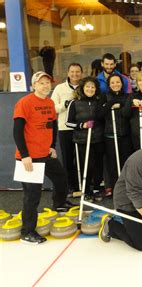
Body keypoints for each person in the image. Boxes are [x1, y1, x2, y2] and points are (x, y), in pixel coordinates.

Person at [13, 71, 73, 244]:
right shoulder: (24, 103)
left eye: (48, 83)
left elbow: (52, 125)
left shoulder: (49, 102)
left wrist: (52, 147)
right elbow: (17, 131)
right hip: (29, 158)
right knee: (32, 196)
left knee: (61, 178)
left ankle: (59, 204)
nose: (46, 86)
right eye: (41, 83)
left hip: (45, 154)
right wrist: (25, 156)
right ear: (34, 86)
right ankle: (27, 232)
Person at [65, 77, 105, 202]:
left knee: (99, 165)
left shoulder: (99, 102)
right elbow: (68, 123)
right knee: (86, 165)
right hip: (82, 139)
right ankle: (86, 190)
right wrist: (82, 125)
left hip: (98, 138)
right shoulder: (74, 103)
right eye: (88, 86)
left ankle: (97, 189)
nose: (90, 89)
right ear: (82, 88)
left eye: (93, 87)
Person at [97, 74, 133, 193]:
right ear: (109, 85)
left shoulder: (128, 96)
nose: (115, 84)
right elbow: (100, 113)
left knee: (126, 161)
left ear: (122, 83)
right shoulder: (104, 96)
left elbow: (127, 111)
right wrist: (111, 104)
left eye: (118, 82)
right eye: (112, 82)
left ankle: (127, 187)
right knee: (112, 162)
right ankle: (114, 187)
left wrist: (120, 104)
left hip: (125, 134)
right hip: (110, 134)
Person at [51, 63, 83, 194]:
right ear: (68, 73)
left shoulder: (84, 87)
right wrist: (65, 104)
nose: (75, 74)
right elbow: (52, 108)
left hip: (81, 128)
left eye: (77, 72)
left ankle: (82, 185)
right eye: (72, 72)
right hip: (65, 128)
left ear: (81, 73)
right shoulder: (59, 88)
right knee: (68, 159)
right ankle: (71, 186)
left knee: (81, 158)